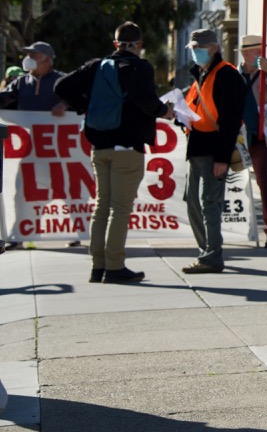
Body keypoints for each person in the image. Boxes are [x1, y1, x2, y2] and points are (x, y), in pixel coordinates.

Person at [54, 22, 174, 284]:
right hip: (128, 148)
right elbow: (145, 101)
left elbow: (60, 87)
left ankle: (98, 267)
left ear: (115, 44)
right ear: (139, 45)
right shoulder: (140, 68)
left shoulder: (96, 66)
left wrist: (85, 105)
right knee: (120, 209)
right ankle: (115, 267)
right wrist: (165, 111)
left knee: (101, 207)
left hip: (99, 147)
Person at [181, 29, 246, 274]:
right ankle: (206, 252)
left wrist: (222, 158)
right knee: (194, 203)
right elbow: (194, 111)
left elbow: (230, 120)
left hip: (212, 150)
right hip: (197, 148)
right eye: (194, 48)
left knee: (209, 203)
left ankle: (211, 256)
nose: (196, 52)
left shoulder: (226, 74)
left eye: (200, 47)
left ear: (214, 47)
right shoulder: (201, 75)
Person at [238, 34, 267, 250]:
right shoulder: (234, 75)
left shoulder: (265, 74)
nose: (257, 55)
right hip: (239, 137)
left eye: (259, 51)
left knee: (265, 183)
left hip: (261, 137)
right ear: (244, 53)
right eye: (253, 51)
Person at [0, 41, 68, 115]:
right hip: (25, 126)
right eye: (28, 55)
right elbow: (2, 98)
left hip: (53, 126)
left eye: (34, 55)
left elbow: (80, 96)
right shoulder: (21, 82)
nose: (29, 58)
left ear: (47, 60)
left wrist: (64, 105)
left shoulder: (62, 80)